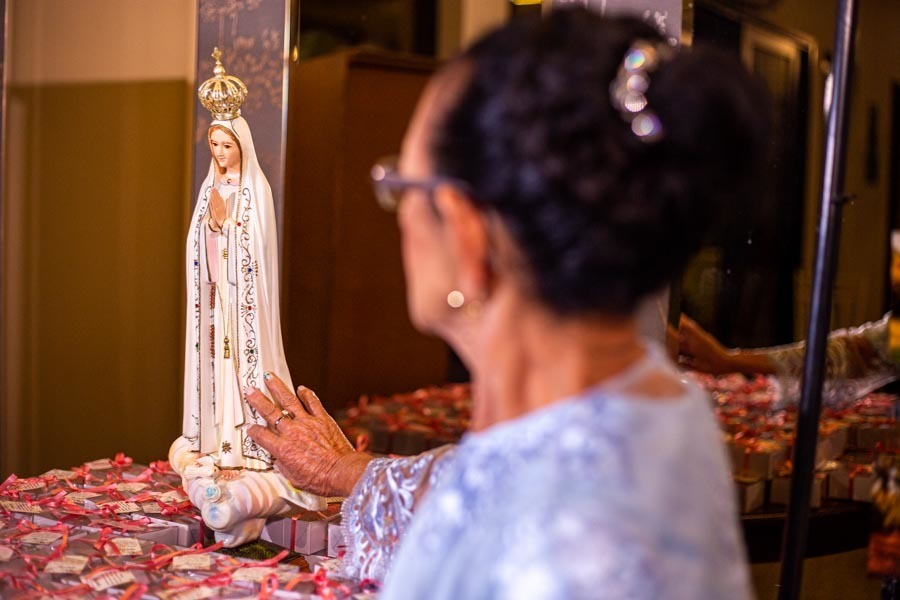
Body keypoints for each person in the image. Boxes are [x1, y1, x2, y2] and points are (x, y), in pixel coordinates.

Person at [247, 9, 767, 598]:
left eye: (401, 186)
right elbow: (491, 481)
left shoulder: (551, 551)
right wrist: (346, 472)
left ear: (467, 234)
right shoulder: (650, 400)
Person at [179, 110, 294, 473]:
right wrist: (211, 227)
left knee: (241, 364)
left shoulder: (255, 189)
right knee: (216, 363)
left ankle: (248, 442)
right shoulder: (209, 187)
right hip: (217, 294)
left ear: (243, 146)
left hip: (241, 298)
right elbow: (197, 241)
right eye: (214, 145)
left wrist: (224, 225)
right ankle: (215, 438)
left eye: (227, 145)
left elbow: (255, 247)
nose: (220, 153)